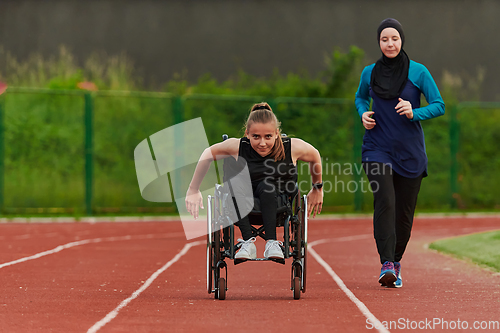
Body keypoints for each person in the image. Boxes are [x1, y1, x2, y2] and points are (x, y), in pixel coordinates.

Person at [355, 18, 445, 288]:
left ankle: (395, 261)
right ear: (379, 43)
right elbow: (360, 98)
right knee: (385, 200)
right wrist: (363, 113)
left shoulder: (418, 72)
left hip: (410, 153)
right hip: (376, 148)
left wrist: (414, 111)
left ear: (401, 40)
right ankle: (385, 263)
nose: (390, 43)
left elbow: (439, 105)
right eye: (384, 39)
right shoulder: (369, 72)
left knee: (404, 212)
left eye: (394, 38)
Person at [185, 102, 323, 260]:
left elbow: (315, 155)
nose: (262, 143)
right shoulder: (238, 146)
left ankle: (272, 242)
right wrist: (193, 189)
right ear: (247, 134)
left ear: (277, 133)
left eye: (268, 136)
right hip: (242, 199)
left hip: (278, 201)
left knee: (267, 186)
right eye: (256, 137)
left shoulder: (291, 147)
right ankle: (247, 243)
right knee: (234, 183)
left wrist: (317, 188)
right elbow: (207, 154)